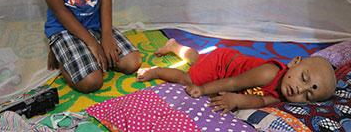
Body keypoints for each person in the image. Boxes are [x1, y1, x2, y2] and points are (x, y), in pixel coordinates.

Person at [137, 38, 337, 113]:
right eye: (303, 78)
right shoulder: (270, 73)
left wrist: (237, 101)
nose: (299, 90)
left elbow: (260, 102)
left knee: (198, 60)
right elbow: (233, 82)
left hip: (231, 65)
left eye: (307, 95)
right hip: (223, 66)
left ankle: (174, 46)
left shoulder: (284, 94)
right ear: (294, 63)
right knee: (189, 79)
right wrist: (204, 89)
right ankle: (155, 70)